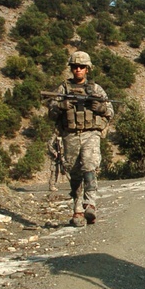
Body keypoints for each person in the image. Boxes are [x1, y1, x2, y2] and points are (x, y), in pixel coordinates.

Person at [47, 51, 114, 227]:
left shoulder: (96, 89)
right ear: (71, 68)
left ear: (87, 69)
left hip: (91, 133)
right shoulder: (63, 89)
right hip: (70, 135)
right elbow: (51, 113)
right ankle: (77, 210)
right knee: (75, 172)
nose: (78, 70)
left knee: (90, 166)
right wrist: (61, 106)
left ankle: (90, 204)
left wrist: (100, 108)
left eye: (82, 67)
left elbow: (110, 111)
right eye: (75, 67)